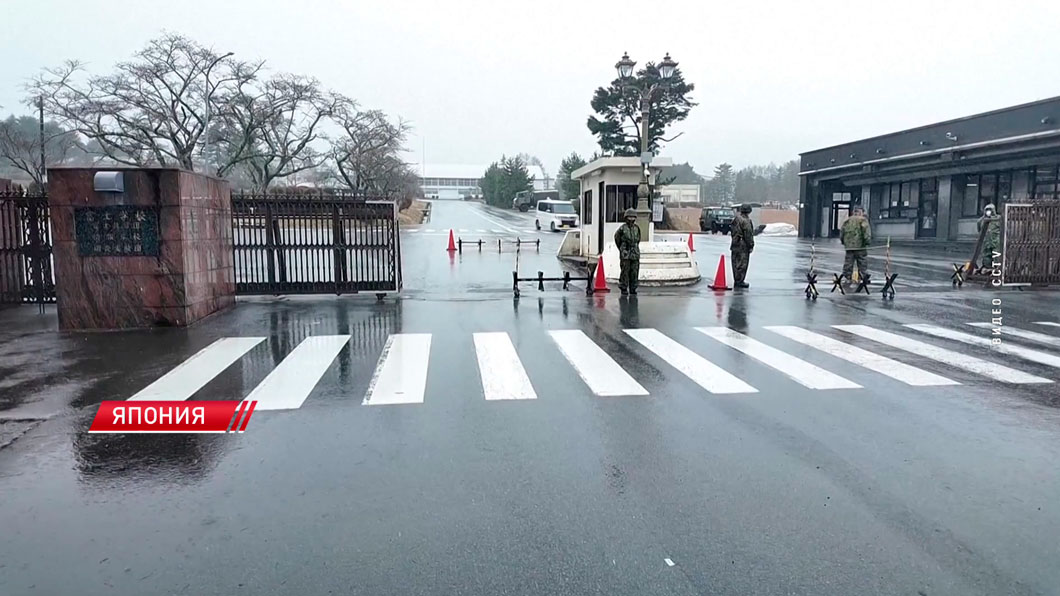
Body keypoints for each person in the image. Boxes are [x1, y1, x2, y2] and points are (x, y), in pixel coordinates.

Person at [614, 208, 641, 295]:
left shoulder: (637, 228)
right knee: (625, 271)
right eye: (629, 217)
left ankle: (633, 287)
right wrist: (622, 249)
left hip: (635, 253)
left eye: (633, 217)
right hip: (625, 252)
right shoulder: (622, 228)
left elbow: (638, 239)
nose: (631, 219)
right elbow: (617, 238)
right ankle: (624, 287)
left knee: (634, 271)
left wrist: (635, 248)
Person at [841, 205, 871, 283]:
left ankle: (847, 277)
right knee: (862, 262)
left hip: (849, 246)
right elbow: (866, 233)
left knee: (849, 262)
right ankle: (862, 276)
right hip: (860, 246)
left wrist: (843, 242)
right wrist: (867, 241)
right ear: (861, 212)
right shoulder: (863, 220)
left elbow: (842, 232)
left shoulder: (847, 220)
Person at [730, 204, 755, 288]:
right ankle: (740, 281)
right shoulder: (746, 221)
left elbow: (732, 230)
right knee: (742, 263)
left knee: (735, 262)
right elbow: (748, 234)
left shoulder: (736, 219)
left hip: (735, 243)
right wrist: (751, 245)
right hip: (743, 245)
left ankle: (736, 279)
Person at [977, 203, 1001, 270]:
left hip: (995, 241)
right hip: (986, 242)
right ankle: (987, 269)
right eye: (987, 210)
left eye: (990, 210)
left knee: (996, 256)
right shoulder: (981, 220)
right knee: (986, 257)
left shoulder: (998, 219)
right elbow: (979, 230)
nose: (988, 211)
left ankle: (996, 270)